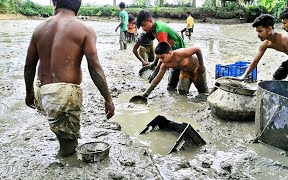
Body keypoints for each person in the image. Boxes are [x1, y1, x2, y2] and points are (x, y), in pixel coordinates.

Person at [24, 0, 115, 157]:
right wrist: (108, 98)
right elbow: (94, 66)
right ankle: (65, 162)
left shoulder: (39, 29)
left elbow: (29, 65)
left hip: (42, 89)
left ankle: (63, 152)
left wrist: (29, 92)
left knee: (59, 129)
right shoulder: (84, 29)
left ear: (56, 5)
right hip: (63, 93)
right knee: (69, 142)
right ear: (77, 9)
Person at [239, 14, 288, 82]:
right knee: (275, 79)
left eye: (260, 31)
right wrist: (244, 76)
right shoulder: (265, 43)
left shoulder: (284, 38)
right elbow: (255, 61)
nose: (258, 35)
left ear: (269, 29)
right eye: (257, 31)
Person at [136, 10, 186, 91]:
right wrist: (154, 64)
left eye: (143, 25)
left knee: (172, 83)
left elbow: (163, 52)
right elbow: (161, 50)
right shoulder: (156, 27)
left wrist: (156, 69)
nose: (143, 28)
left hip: (177, 53)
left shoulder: (160, 31)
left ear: (150, 21)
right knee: (173, 75)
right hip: (171, 52)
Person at [142, 42, 208, 97]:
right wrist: (147, 93)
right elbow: (157, 79)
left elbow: (197, 49)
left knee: (203, 92)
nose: (161, 60)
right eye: (159, 58)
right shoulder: (165, 65)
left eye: (162, 57)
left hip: (197, 69)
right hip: (185, 72)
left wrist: (201, 66)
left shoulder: (181, 53)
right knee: (182, 92)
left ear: (170, 53)